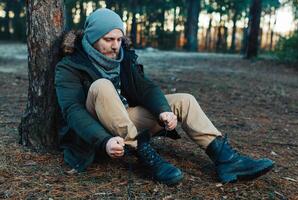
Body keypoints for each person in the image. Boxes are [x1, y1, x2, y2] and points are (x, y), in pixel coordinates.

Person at [55, 8, 274, 185]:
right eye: (108, 39)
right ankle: (146, 156)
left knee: (184, 100)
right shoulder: (70, 66)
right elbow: (72, 111)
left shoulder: (123, 57)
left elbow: (145, 88)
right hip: (95, 133)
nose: (115, 46)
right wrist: (104, 141)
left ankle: (227, 160)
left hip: (123, 120)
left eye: (119, 39)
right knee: (102, 86)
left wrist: (164, 110)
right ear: (92, 38)